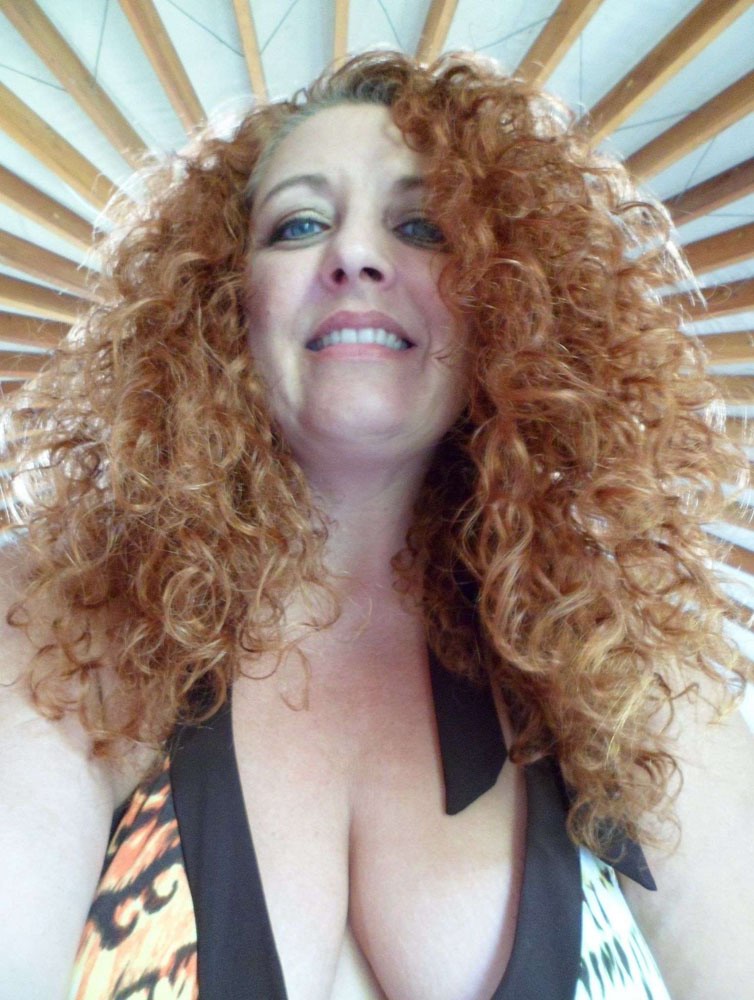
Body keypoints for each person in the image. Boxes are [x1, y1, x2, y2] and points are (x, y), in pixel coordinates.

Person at [1, 49, 752, 1000]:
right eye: (299, 224)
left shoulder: (626, 654)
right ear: (223, 306)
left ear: (506, 303)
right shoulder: (64, 613)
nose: (355, 254)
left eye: (423, 226)